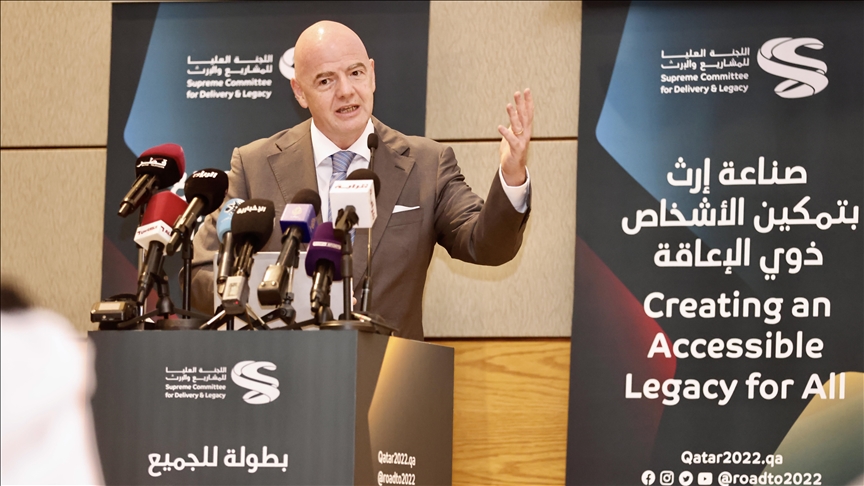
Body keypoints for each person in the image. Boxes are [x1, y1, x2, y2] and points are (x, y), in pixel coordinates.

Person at [190, 21, 534, 340]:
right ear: (299, 91)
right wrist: (278, 294)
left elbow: (486, 245)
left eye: (355, 73)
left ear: (372, 75)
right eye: (325, 81)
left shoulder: (427, 163)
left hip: (388, 373)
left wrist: (512, 174)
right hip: (280, 371)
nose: (346, 91)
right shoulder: (254, 165)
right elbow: (200, 272)